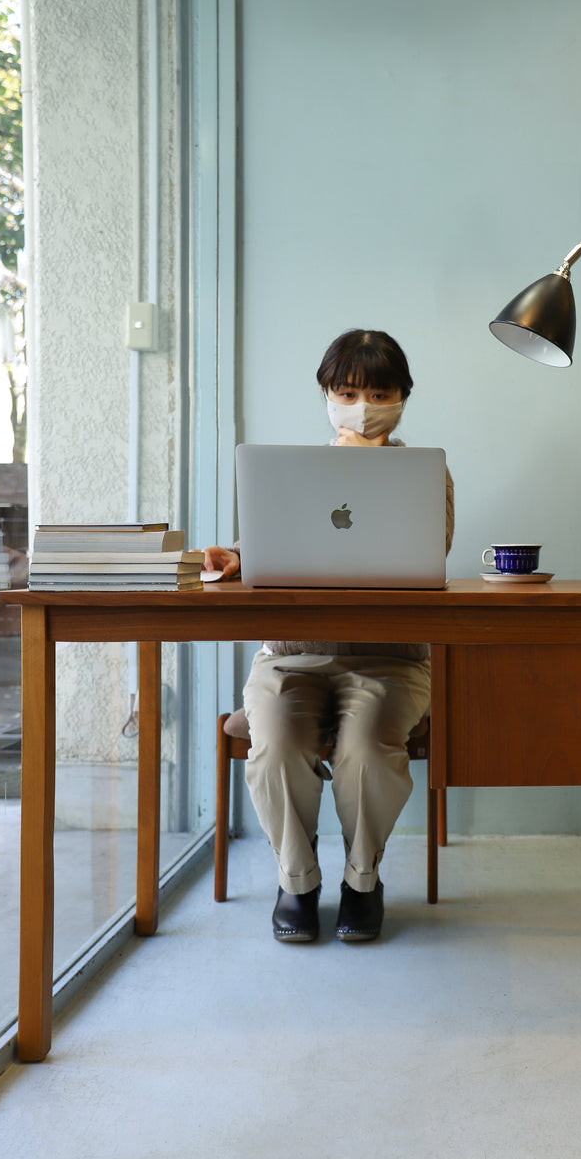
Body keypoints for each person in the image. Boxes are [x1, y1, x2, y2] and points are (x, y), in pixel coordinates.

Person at [203, 329, 454, 944]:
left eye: (379, 394)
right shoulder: (293, 473)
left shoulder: (424, 474)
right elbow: (272, 542)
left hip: (389, 661)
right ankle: (297, 880)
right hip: (292, 657)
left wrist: (371, 469)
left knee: (366, 748)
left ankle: (362, 882)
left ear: (402, 399)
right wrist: (238, 556)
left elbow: (430, 554)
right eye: (347, 393)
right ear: (326, 395)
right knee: (275, 744)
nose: (362, 407)